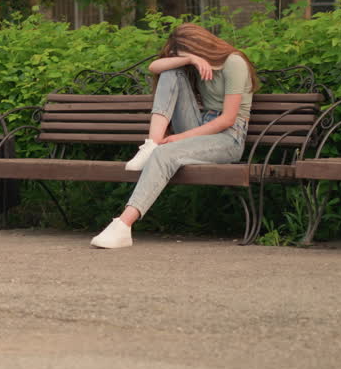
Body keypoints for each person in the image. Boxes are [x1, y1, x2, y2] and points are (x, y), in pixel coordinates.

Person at [90, 23, 259, 249]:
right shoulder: (194, 63)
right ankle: (150, 145)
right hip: (201, 125)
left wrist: (180, 138)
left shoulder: (233, 63)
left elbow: (228, 119)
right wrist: (189, 60)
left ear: (200, 45)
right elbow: (154, 66)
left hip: (228, 138)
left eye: (190, 52)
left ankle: (123, 225)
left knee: (165, 153)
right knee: (170, 72)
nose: (189, 59)